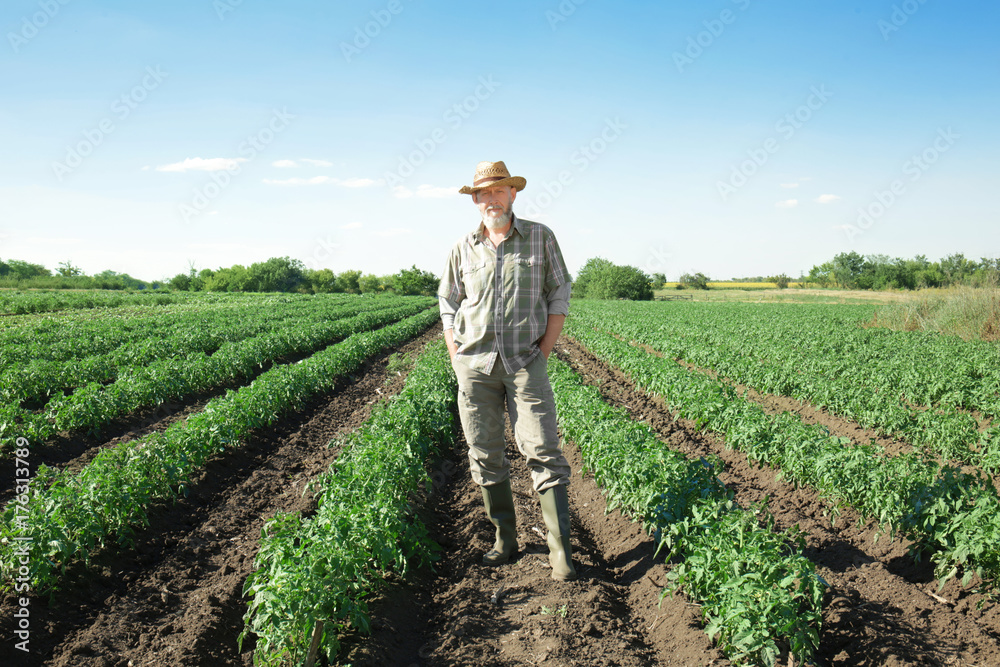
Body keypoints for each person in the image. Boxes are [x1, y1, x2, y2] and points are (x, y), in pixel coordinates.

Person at [438, 160, 577, 581]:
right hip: (475, 365)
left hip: (524, 362)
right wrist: (454, 352)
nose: (491, 198)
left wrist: (545, 349)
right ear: (476, 200)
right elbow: (448, 302)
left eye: (499, 190)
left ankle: (560, 553)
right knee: (484, 451)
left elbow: (559, 293)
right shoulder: (463, 247)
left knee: (543, 450)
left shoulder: (539, 237)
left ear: (513, 193)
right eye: (483, 193)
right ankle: (506, 539)